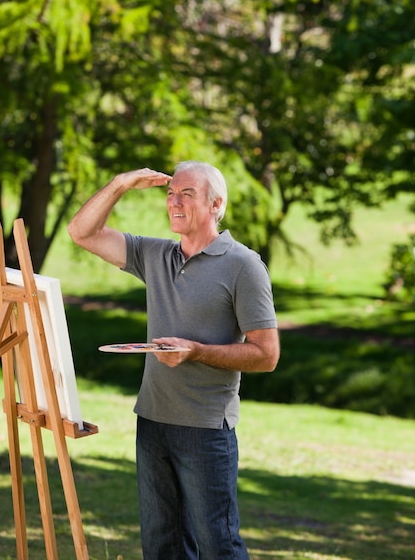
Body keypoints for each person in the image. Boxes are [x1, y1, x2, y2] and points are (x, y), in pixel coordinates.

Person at [68, 161, 280, 560]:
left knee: (219, 546)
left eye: (187, 194)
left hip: (204, 429)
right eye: (170, 193)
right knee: (162, 546)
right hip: (152, 422)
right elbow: (82, 232)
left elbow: (266, 355)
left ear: (216, 204)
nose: (174, 202)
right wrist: (121, 183)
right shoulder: (155, 254)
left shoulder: (243, 265)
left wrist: (196, 351)